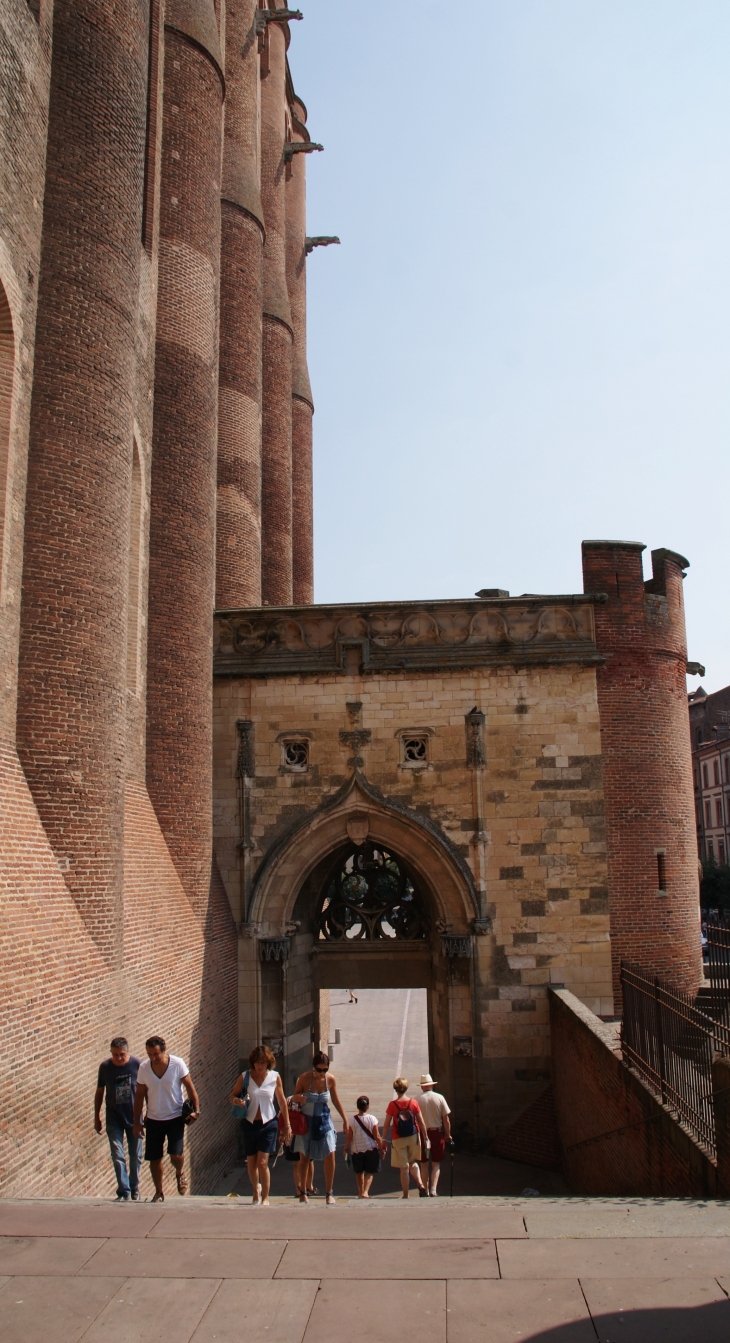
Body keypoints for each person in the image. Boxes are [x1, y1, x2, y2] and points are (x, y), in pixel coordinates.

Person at [133, 1036, 199, 1203]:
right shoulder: (144, 1069)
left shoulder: (177, 1064)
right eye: (149, 1054)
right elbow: (139, 1096)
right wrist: (137, 1122)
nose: (153, 1058)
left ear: (164, 1050)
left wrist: (196, 1111)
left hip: (175, 1116)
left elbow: (190, 1088)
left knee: (175, 1155)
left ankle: (179, 1173)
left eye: (156, 1054)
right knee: (154, 1159)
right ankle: (159, 1192)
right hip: (154, 1119)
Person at [230, 1045, 291, 1206]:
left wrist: (287, 1125)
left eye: (263, 1063)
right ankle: (255, 1189)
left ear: (268, 1063)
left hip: (268, 1124)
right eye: (257, 1063)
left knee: (262, 1163)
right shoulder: (245, 1077)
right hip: (249, 1123)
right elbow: (233, 1095)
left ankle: (265, 1197)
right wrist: (237, 1101)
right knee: (251, 1163)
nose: (259, 1066)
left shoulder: (274, 1077)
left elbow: (282, 1101)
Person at [293, 1050, 350, 1204]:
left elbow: (336, 1101)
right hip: (307, 1121)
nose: (322, 1073)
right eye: (319, 1070)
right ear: (313, 1067)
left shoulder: (330, 1080)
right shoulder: (304, 1079)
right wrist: (298, 1098)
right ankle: (303, 1192)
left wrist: (345, 1119)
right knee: (305, 1156)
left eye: (325, 1070)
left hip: (324, 1120)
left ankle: (329, 1192)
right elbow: (293, 1098)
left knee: (330, 1153)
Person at [94, 1037, 142, 1202]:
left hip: (134, 1118)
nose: (119, 1058)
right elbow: (100, 1092)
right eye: (115, 1055)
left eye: (121, 1054)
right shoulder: (105, 1067)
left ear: (127, 1052)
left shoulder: (137, 1065)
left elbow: (145, 1090)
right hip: (113, 1117)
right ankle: (123, 1190)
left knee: (135, 1155)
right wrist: (96, 1117)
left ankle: (134, 1187)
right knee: (117, 1154)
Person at [382, 1077, 429, 1198]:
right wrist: (425, 1137)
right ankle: (420, 1184)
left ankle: (405, 1195)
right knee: (412, 1162)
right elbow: (421, 1122)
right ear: (406, 1088)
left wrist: (383, 1139)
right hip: (413, 1136)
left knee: (404, 1168)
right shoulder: (413, 1103)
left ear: (396, 1089)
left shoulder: (392, 1105)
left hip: (398, 1137)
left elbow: (386, 1124)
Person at [417, 1073, 452, 1196]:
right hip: (436, 1132)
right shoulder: (439, 1098)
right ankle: (433, 1189)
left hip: (422, 1134)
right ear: (432, 1085)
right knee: (436, 1163)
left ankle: (425, 1189)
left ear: (422, 1087)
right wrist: (448, 1134)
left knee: (424, 1163)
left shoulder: (416, 1099)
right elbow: (446, 1119)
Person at [344, 1095, 385, 1198]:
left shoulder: (352, 1120)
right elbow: (377, 1136)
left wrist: (346, 1148)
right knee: (370, 1171)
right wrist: (382, 1147)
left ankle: (360, 1192)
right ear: (367, 1107)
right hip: (370, 1148)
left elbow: (349, 1136)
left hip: (356, 1150)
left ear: (357, 1106)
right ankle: (365, 1192)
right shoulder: (372, 1119)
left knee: (359, 1172)